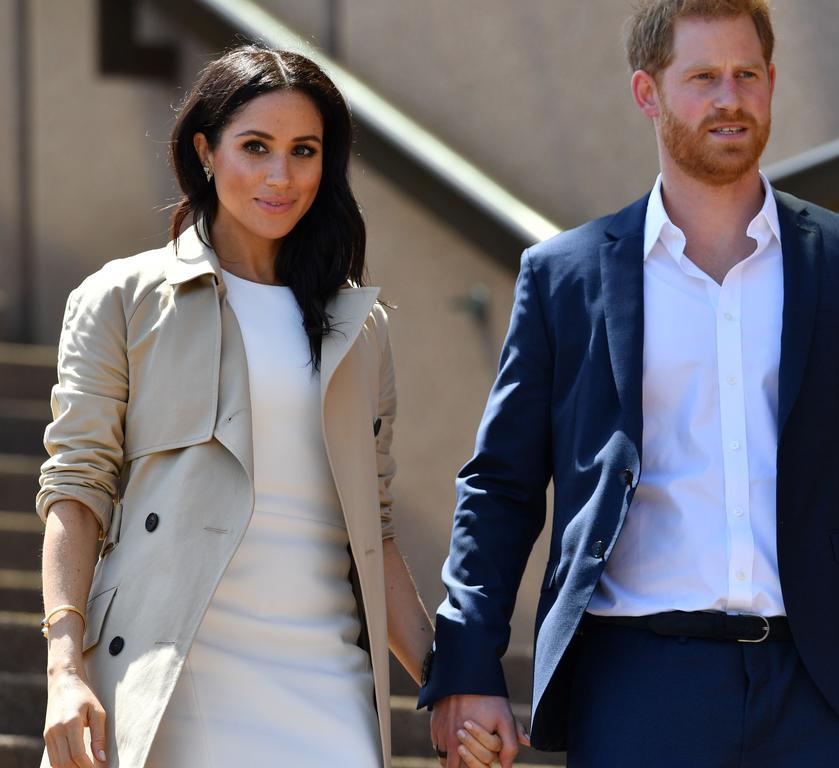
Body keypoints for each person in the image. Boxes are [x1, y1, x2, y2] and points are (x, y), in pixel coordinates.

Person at [420, 1, 839, 767]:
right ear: (647, 92)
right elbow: (502, 487)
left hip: (817, 692)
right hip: (636, 684)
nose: (729, 98)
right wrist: (469, 667)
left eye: (747, 74)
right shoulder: (564, 277)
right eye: (703, 76)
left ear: (773, 83)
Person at [36, 46, 501, 768]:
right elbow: (76, 487)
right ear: (205, 151)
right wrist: (65, 669)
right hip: (177, 680)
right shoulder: (122, 300)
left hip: (326, 681)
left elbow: (370, 531)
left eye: (304, 151)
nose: (281, 177)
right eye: (256, 147)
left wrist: (449, 685)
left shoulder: (358, 329)